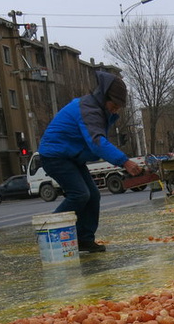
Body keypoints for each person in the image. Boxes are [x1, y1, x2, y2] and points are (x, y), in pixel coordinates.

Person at [38, 71, 142, 253]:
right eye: (115, 104)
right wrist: (124, 161)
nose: (116, 109)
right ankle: (47, 231)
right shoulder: (88, 110)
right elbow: (97, 143)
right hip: (54, 156)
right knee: (79, 194)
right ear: (104, 97)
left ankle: (84, 239)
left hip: (71, 157)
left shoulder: (96, 108)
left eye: (119, 106)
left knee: (93, 195)